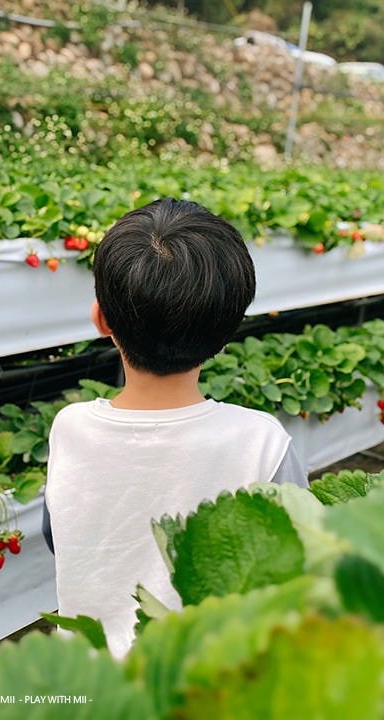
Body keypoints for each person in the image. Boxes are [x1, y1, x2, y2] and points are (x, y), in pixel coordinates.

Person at [42, 197, 309, 658]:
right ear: (228, 330)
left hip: (87, 680)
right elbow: (301, 562)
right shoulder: (260, 443)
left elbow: (56, 535)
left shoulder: (71, 428)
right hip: (205, 683)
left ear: (101, 319)